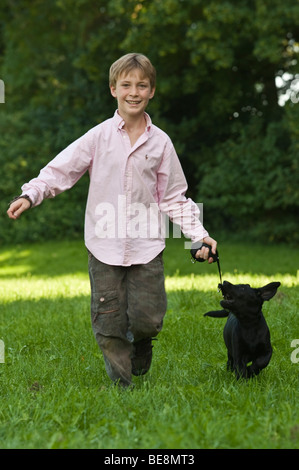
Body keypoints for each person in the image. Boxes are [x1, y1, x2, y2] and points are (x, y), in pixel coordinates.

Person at [7, 53, 217, 388]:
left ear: (151, 92)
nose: (134, 92)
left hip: (146, 245)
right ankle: (123, 387)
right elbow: (63, 169)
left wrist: (198, 235)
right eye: (126, 85)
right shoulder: (98, 137)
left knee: (149, 317)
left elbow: (175, 197)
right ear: (113, 89)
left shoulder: (161, 142)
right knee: (109, 320)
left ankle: (143, 341)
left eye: (142, 85)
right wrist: (31, 194)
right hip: (103, 244)